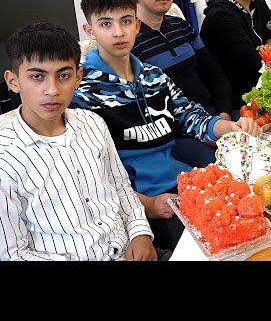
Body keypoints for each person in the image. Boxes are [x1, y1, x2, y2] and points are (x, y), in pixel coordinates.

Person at [71, 0, 261, 251]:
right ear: (90, 30)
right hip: (140, 202)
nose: (118, 32)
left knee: (251, 219)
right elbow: (91, 175)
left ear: (137, 25)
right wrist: (146, 205)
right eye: (106, 24)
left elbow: (190, 116)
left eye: (126, 21)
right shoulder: (81, 90)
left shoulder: (154, 76)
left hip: (182, 184)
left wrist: (230, 127)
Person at [0, 23, 158, 261]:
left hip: (127, 250)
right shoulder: (5, 158)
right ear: (13, 81)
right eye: (37, 77)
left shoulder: (93, 123)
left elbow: (121, 187)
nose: (52, 90)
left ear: (78, 77)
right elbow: (14, 254)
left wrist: (140, 234)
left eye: (63, 76)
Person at [126, 0, 233, 167]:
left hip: (214, 117)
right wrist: (207, 132)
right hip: (177, 136)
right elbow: (147, 113)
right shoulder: (127, 43)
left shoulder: (180, 26)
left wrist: (224, 114)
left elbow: (215, 74)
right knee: (226, 166)